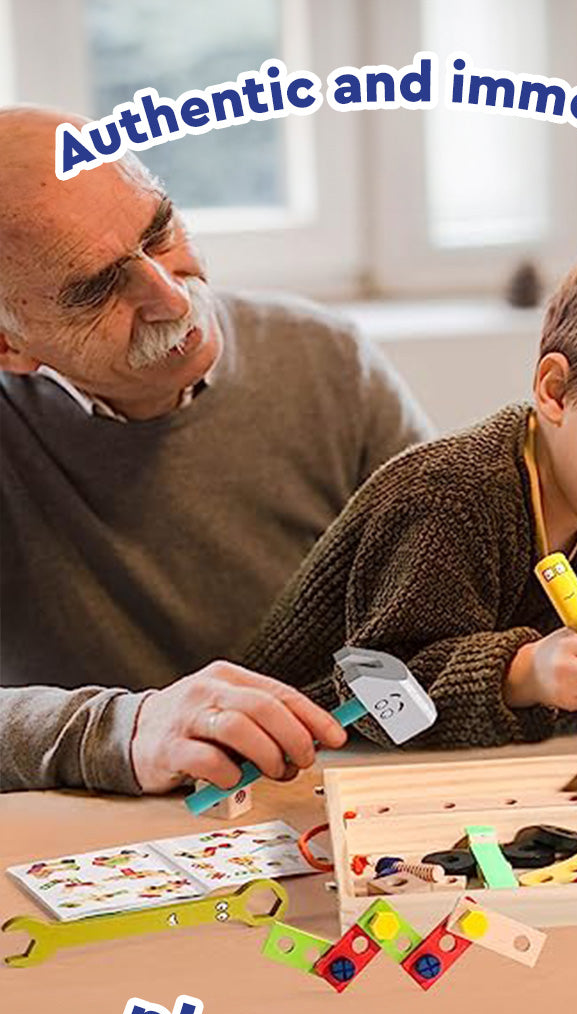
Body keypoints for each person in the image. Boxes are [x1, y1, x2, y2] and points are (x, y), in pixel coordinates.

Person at [0, 106, 432, 792]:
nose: (170, 297)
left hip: (332, 803)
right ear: (9, 345)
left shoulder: (328, 362)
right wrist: (125, 731)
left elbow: (455, 600)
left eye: (160, 231)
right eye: (98, 289)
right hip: (107, 847)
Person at [241, 234, 577, 746]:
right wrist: (522, 675)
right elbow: (376, 692)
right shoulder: (449, 498)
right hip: (280, 763)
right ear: (557, 392)